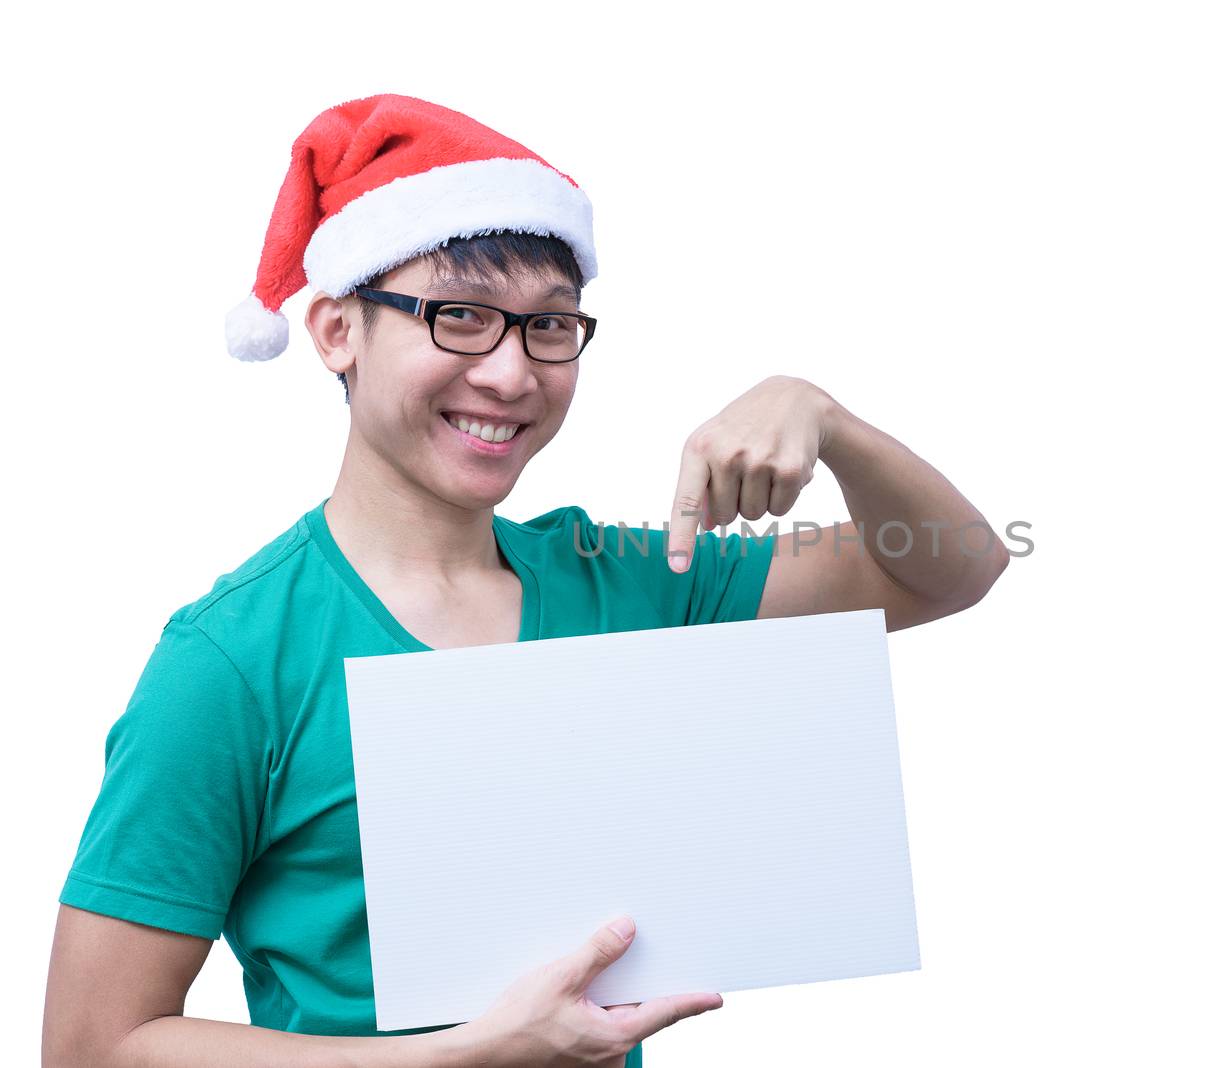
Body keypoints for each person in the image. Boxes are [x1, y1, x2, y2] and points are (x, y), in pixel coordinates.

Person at [42, 93, 1010, 1068]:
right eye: (459, 316)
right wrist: (457, 1055)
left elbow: (952, 570)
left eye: (549, 327)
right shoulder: (231, 662)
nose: (511, 373)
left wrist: (827, 417)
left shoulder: (634, 578)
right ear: (335, 330)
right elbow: (90, 1044)